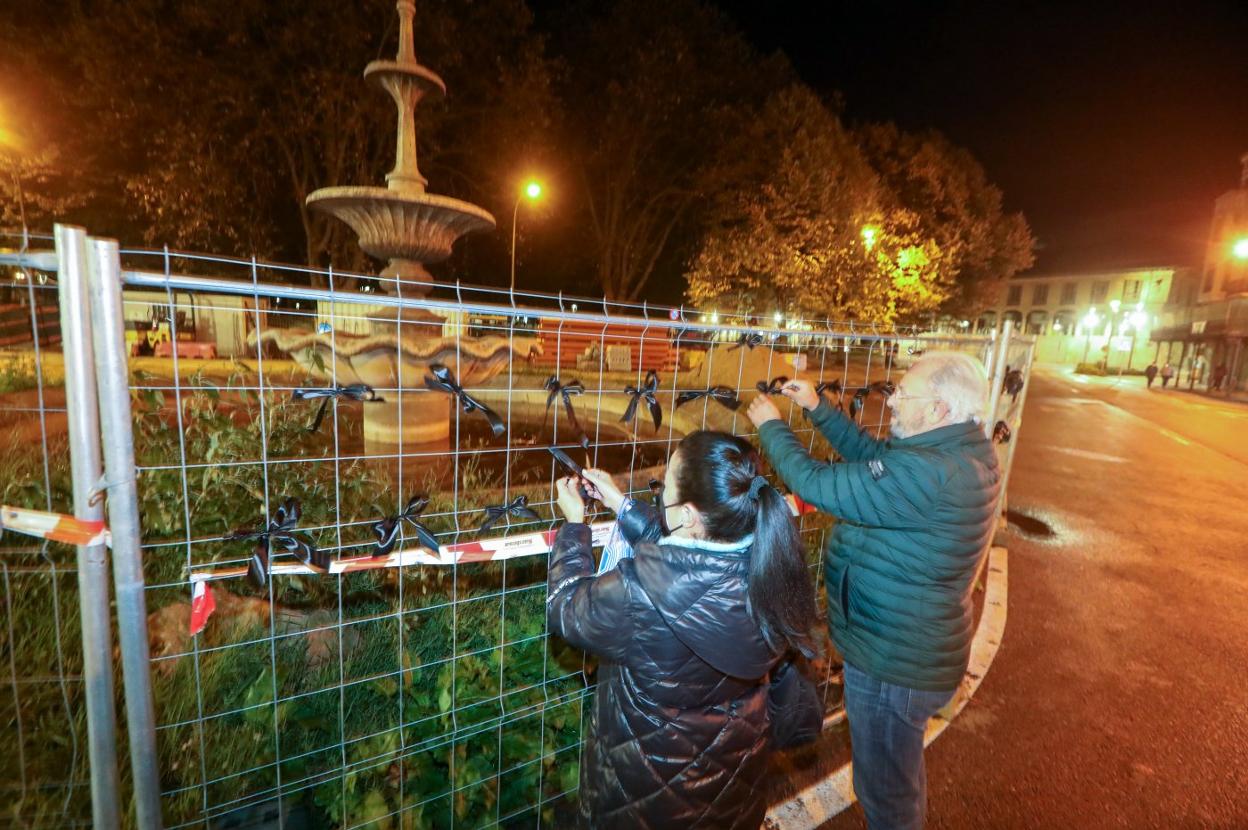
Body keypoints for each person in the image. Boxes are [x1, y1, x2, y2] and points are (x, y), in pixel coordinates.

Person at [745, 352, 1001, 830]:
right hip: (912, 646)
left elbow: (818, 483)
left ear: (940, 409)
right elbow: (875, 459)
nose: (893, 402)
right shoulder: (958, 451)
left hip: (893, 664)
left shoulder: (932, 473)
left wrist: (772, 428)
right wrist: (820, 409)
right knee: (897, 779)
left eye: (905, 394)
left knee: (884, 793)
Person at [547, 430, 818, 829]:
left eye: (666, 488)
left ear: (688, 514)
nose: (661, 496)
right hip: (732, 786)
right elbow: (692, 555)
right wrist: (621, 505)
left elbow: (565, 607)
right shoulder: (771, 565)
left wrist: (574, 526)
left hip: (646, 798)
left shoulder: (638, 591)